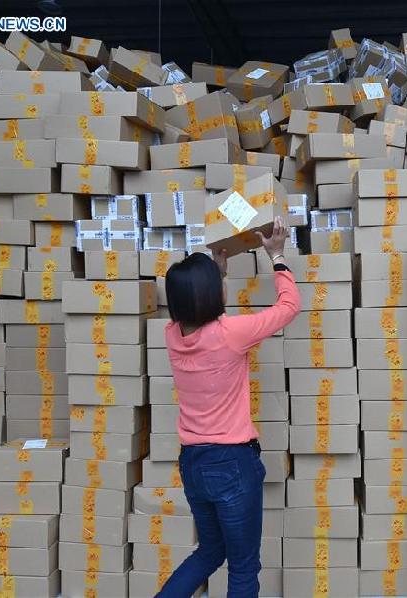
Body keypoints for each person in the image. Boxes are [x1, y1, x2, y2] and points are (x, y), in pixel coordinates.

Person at [156, 217, 300, 598]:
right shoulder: (231, 334)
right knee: (243, 567)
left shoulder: (172, 335)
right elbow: (289, 307)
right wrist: (278, 256)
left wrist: (215, 272)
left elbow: (200, 312)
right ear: (209, 294)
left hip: (193, 463)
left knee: (209, 552)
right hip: (232, 465)